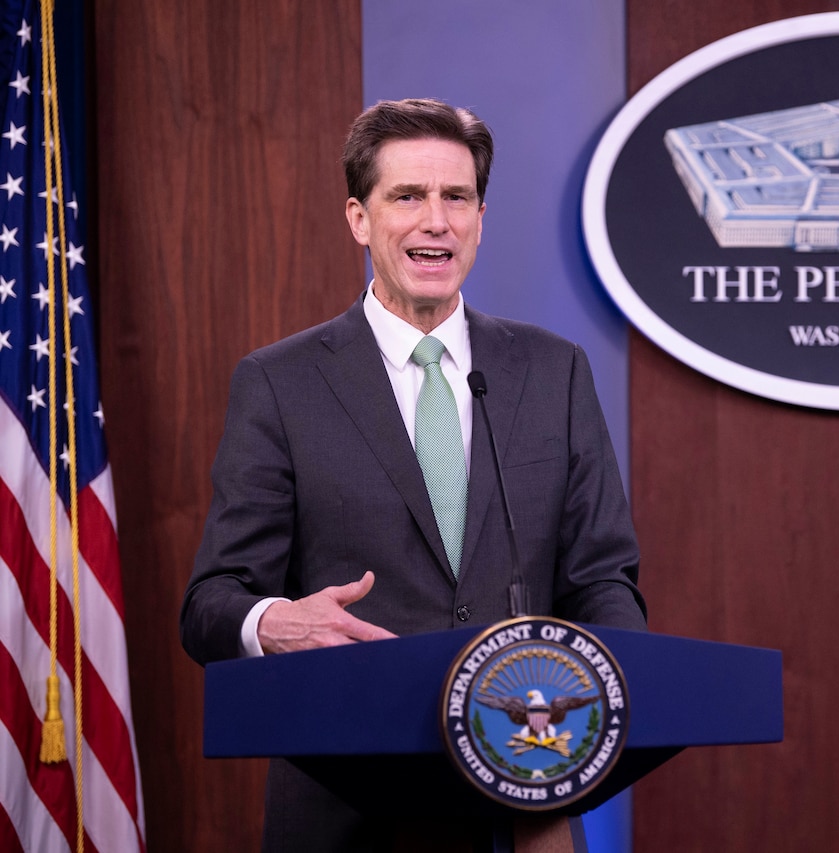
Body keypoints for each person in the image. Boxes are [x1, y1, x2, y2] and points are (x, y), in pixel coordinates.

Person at [179, 98, 647, 851]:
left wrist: (623, 695)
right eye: (408, 196)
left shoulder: (552, 370)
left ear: (480, 217)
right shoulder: (280, 382)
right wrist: (271, 621)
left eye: (456, 197)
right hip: (347, 808)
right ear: (359, 219)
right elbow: (210, 602)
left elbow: (603, 580)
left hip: (524, 798)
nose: (436, 220)